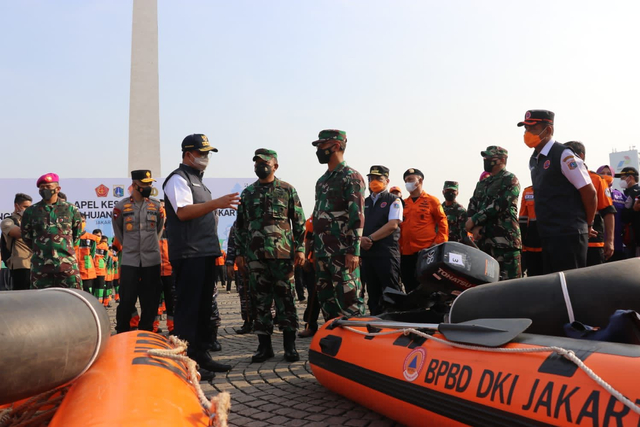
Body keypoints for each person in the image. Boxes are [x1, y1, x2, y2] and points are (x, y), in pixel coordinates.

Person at [163, 133, 239, 378]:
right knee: (189, 309)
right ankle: (185, 362)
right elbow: (184, 212)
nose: (206, 158)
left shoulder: (199, 181)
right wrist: (216, 203)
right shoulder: (178, 179)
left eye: (208, 153)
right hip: (189, 254)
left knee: (204, 309)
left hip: (206, 253)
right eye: (202, 153)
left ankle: (201, 356)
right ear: (188, 154)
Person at [235, 149, 305, 363]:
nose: (260, 166)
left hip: (282, 256)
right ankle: (264, 347)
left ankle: (290, 346)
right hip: (256, 257)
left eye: (264, 163)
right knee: (260, 301)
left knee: (286, 300)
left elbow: (299, 221)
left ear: (275, 166)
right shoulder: (248, 194)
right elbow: (240, 226)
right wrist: (239, 253)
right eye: (256, 163)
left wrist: (300, 248)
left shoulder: (287, 190)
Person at [521, 110, 597, 273]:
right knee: (555, 287)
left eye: (532, 129)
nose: (527, 134)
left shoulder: (564, 155)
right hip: (548, 234)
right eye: (526, 129)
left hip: (568, 234)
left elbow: (589, 193)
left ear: (548, 130)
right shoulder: (534, 159)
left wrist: (587, 224)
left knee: (572, 286)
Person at [311, 129, 366, 320]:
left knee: (349, 303)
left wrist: (354, 251)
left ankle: (358, 347)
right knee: (328, 304)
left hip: (343, 253)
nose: (318, 150)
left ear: (335, 146)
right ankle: (333, 346)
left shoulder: (351, 177)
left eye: (321, 145)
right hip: (322, 252)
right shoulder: (322, 181)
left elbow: (357, 216)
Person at [113, 170, 164, 333]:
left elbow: (159, 230)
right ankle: (122, 330)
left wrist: (150, 246)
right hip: (130, 260)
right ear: (134, 185)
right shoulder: (121, 207)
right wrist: (129, 246)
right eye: (145, 183)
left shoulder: (157, 206)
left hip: (152, 259)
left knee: (150, 299)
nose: (148, 186)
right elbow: (119, 233)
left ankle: (147, 331)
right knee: (127, 298)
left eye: (150, 183)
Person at [467, 146, 522, 280]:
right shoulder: (482, 183)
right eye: (485, 158)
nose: (486, 161)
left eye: (491, 158)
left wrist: (475, 220)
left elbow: (500, 205)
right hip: (484, 242)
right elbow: (473, 204)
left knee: (511, 286)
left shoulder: (510, 179)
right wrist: (473, 226)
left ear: (502, 160)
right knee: (486, 285)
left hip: (505, 242)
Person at [21, 173, 82, 289]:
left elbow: (77, 234)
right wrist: (41, 250)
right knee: (40, 302)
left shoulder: (71, 209)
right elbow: (26, 236)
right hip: (40, 266)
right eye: (42, 188)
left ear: (57, 189)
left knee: (73, 299)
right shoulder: (31, 211)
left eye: (48, 187)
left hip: (67, 265)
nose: (44, 190)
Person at [360, 165, 403, 315]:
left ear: (387, 181)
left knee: (391, 293)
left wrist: (370, 238)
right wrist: (360, 240)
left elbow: (392, 225)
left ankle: (396, 326)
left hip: (386, 254)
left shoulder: (393, 200)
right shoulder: (363, 202)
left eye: (379, 178)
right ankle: (375, 326)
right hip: (367, 255)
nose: (374, 181)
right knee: (372, 294)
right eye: (371, 178)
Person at [564, 142, 615, 265]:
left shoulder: (596, 179)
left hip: (593, 241)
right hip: (567, 240)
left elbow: (608, 211)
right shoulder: (561, 179)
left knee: (594, 280)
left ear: (580, 156)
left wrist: (610, 241)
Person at [399, 168, 448, 292]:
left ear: (419, 180)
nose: (407, 183)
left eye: (410, 179)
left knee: (427, 285)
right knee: (408, 283)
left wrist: (438, 243)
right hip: (405, 252)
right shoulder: (403, 203)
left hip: (425, 252)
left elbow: (443, 223)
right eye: (405, 181)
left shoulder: (432, 201)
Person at [1, 193, 33, 290]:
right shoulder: (8, 221)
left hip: (36, 264)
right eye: (25, 207)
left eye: (29, 207)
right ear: (16, 206)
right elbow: (18, 233)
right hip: (20, 265)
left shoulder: (32, 221)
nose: (27, 210)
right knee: (22, 296)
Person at [226, 220, 253, 334]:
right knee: (245, 293)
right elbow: (232, 243)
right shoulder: (238, 223)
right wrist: (230, 263)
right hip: (244, 264)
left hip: (262, 262)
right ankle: (248, 321)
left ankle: (266, 321)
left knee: (264, 293)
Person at [598, 165, 627, 261]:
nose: (605, 175)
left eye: (609, 174)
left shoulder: (619, 195)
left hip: (618, 242)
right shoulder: (591, 193)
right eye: (602, 173)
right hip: (598, 242)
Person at [298, 216, 320, 338]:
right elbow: (307, 240)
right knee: (313, 296)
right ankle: (310, 325)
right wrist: (306, 259)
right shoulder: (311, 221)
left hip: (333, 260)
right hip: (314, 263)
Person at [518, 186, 543, 277]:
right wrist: (522, 240)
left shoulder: (555, 189)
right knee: (532, 274)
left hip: (549, 242)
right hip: (531, 243)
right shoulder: (527, 192)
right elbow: (522, 218)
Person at [616, 167, 640, 258]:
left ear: (630, 178)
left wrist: (634, 210)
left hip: (636, 238)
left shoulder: (637, 192)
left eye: (622, 178)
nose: (621, 181)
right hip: (626, 240)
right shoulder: (623, 194)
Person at [76, 215, 100, 294]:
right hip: (74, 270)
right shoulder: (69, 236)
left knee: (87, 293)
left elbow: (92, 254)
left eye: (83, 221)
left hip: (87, 270)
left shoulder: (92, 238)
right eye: (79, 221)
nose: (81, 223)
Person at [92, 229, 108, 303]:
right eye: (96, 235)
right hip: (91, 271)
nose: (97, 237)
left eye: (99, 236)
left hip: (100, 271)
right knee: (93, 289)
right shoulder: (90, 245)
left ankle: (100, 304)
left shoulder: (104, 247)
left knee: (100, 289)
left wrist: (101, 263)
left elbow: (106, 258)